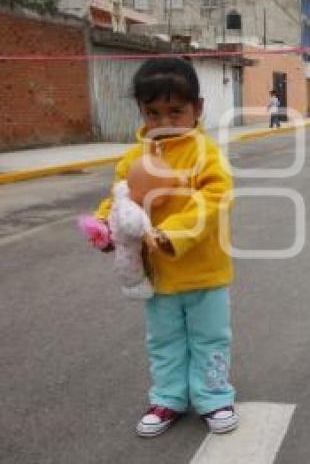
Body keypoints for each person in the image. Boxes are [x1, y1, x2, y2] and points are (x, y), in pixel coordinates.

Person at [91, 58, 238, 438]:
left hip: (203, 270)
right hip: (157, 274)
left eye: (176, 111)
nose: (164, 121)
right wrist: (106, 228)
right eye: (153, 113)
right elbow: (121, 198)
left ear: (198, 109)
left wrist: (171, 234)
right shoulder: (133, 157)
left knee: (209, 338)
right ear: (141, 110)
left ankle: (214, 396)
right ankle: (168, 398)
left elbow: (215, 198)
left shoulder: (205, 153)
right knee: (164, 340)